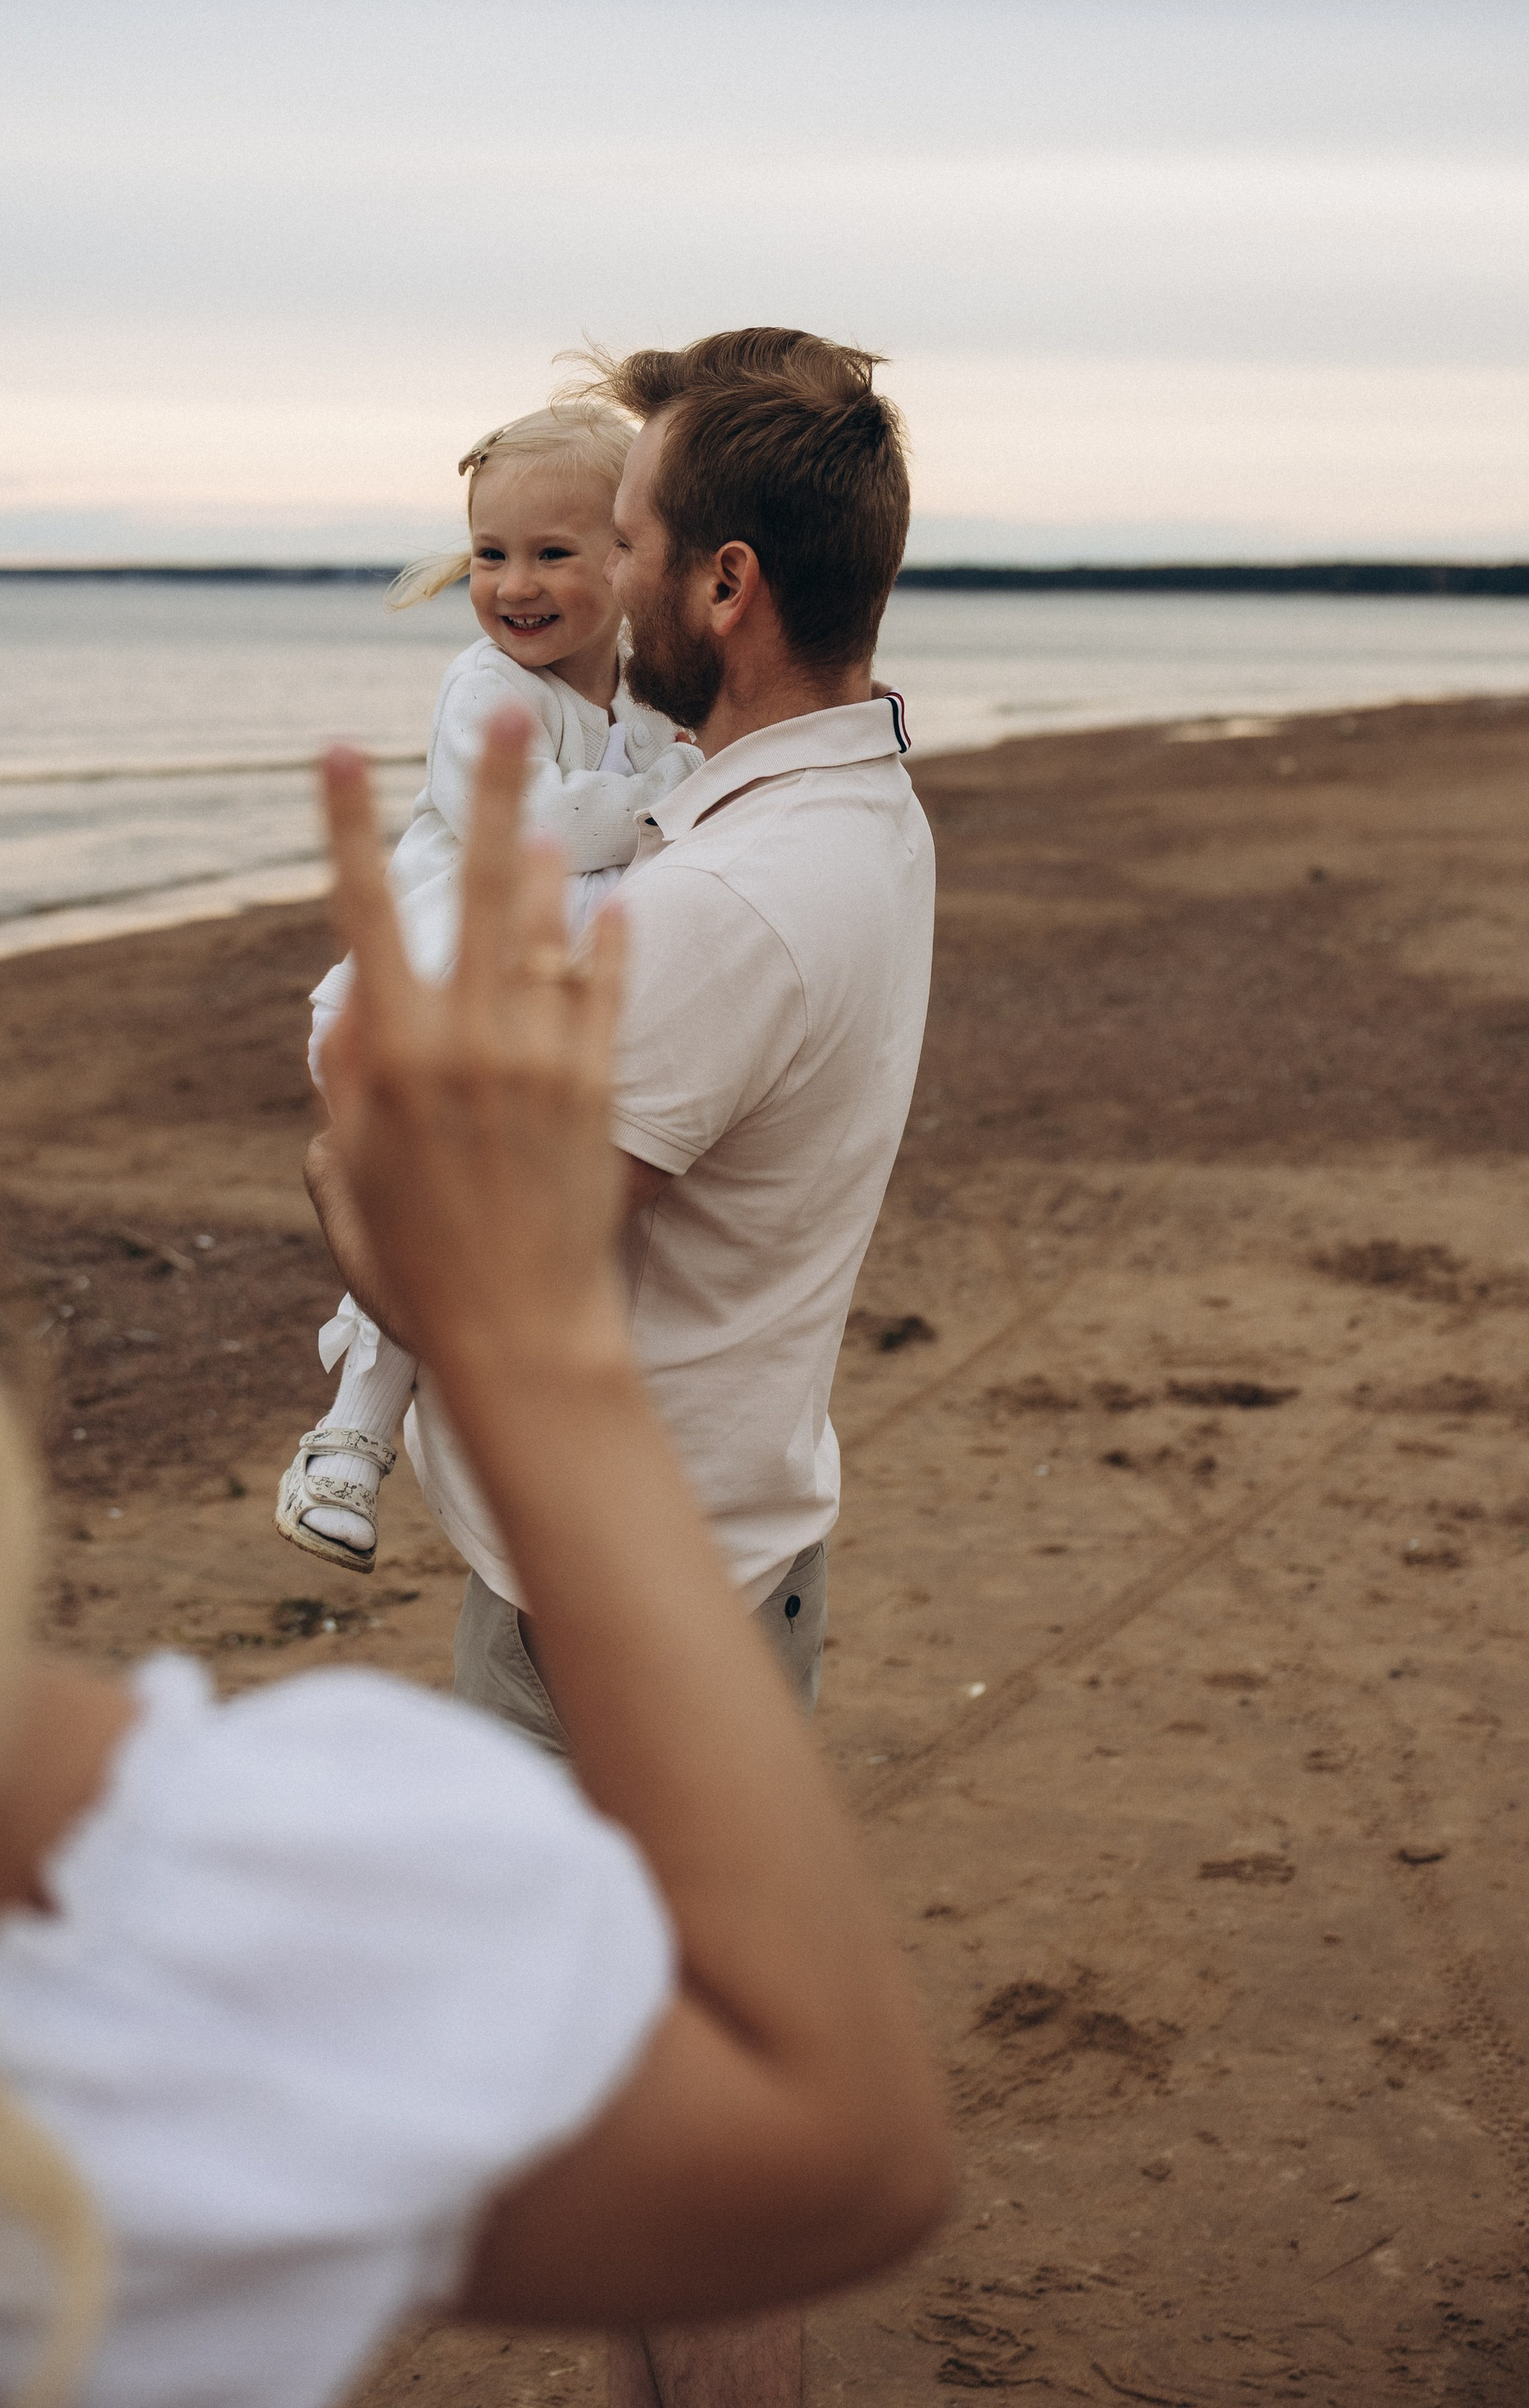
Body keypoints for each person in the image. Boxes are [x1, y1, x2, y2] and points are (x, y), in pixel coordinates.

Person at [0, 572, 950, 2407]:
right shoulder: (83, 1904)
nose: (560, 577)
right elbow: (829, 2145)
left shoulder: (763, 870)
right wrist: (520, 1347)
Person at [304, 326, 935, 2408]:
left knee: (651, 2151)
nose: (592, 578)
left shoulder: (720, 912)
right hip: (735, 1525)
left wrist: (343, 1136)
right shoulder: (854, 808)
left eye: (634, 539)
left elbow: (476, 1284)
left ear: (722, 586)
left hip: (619, 1605)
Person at [275, 400, 701, 1572]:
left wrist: (670, 765)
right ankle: (349, 1438)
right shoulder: (486, 694)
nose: (514, 583)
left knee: (468, 1216)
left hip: (513, 1009)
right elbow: (535, 832)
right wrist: (667, 789)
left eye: (552, 552)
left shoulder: (636, 704)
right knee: (436, 1204)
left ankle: (365, 1431)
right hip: (418, 996)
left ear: (629, 558)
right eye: (491, 554)